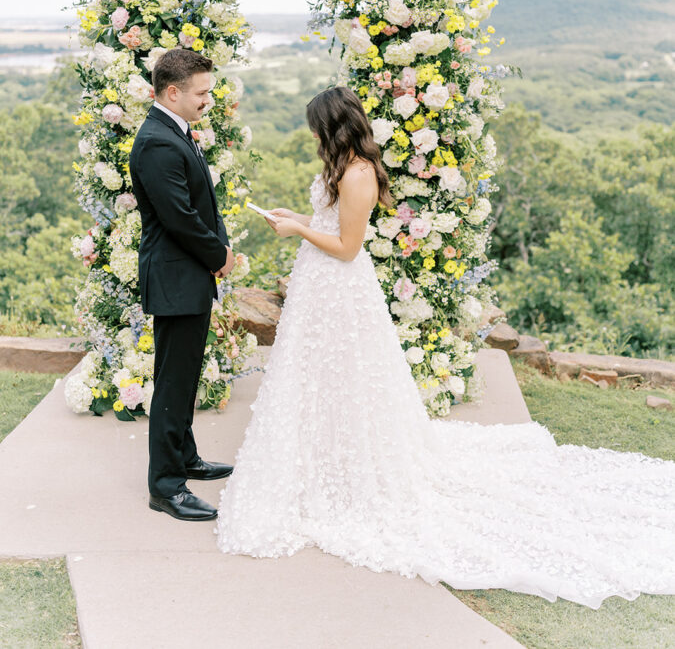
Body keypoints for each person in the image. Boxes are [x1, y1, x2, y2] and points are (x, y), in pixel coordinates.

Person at [216, 85, 675, 607]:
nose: (315, 136)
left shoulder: (360, 173)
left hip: (339, 290)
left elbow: (346, 248)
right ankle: (319, 453)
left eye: (318, 128)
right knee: (317, 378)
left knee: (347, 375)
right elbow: (328, 226)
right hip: (317, 292)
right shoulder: (341, 165)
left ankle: (352, 465)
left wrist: (296, 232)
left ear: (332, 126)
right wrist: (298, 219)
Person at [129, 49, 235, 522]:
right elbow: (180, 219)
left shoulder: (175, 132)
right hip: (175, 276)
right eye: (202, 92)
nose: (208, 100)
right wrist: (219, 256)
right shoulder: (156, 142)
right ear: (173, 92)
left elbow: (203, 204)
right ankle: (166, 486)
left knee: (185, 374)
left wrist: (220, 246)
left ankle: (185, 457)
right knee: (173, 382)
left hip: (188, 274)